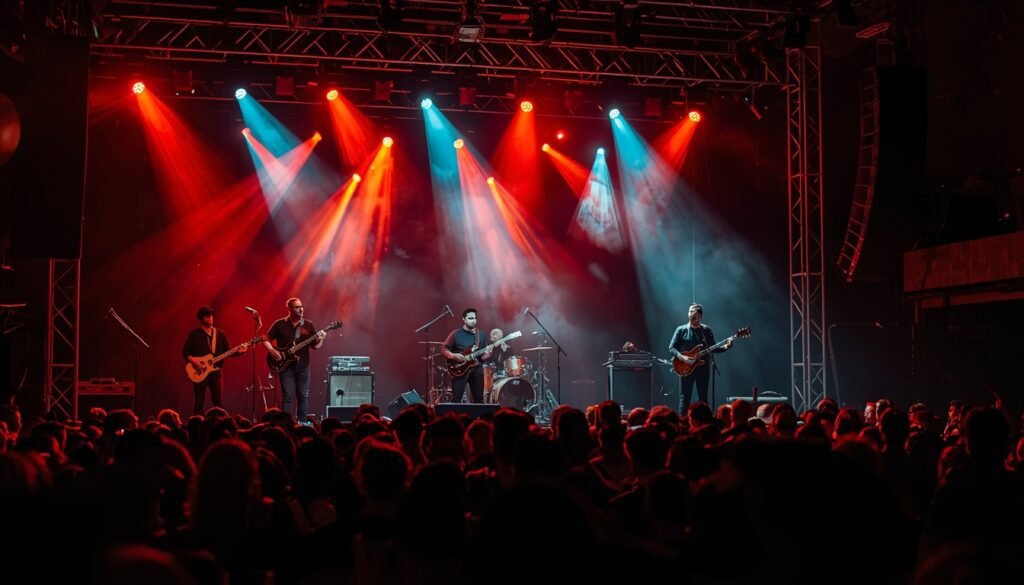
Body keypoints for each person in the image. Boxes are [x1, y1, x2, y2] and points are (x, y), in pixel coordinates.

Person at [262, 297, 325, 420]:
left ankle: (302, 423)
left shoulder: (308, 325)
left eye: (301, 306)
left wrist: (321, 339)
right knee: (287, 396)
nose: (301, 309)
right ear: (290, 309)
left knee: (303, 396)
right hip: (285, 367)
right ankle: (287, 424)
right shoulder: (280, 324)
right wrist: (272, 351)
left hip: (303, 367)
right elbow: (265, 338)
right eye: (297, 307)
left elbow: (316, 346)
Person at [182, 305, 247, 415]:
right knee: (199, 403)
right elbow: (185, 352)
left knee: (218, 404)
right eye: (207, 317)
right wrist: (195, 362)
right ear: (201, 319)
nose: (210, 319)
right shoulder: (194, 335)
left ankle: (221, 427)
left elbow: (229, 352)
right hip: (199, 372)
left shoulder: (220, 334)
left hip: (216, 373)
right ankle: (197, 426)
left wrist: (240, 351)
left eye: (211, 316)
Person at [668, 303, 731, 413]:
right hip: (685, 368)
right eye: (689, 311)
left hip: (702, 368)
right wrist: (683, 358)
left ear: (699, 315)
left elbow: (713, 348)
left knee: (703, 399)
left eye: (692, 311)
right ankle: (683, 424)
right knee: (684, 399)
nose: (690, 313)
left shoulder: (706, 330)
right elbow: (671, 348)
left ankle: (702, 424)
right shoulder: (681, 329)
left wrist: (726, 347)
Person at [442, 308, 492, 404]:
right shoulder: (455, 334)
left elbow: (482, 356)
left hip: (477, 369)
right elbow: (443, 349)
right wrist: (452, 355)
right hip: (459, 369)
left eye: (475, 318)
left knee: (479, 400)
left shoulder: (481, 335)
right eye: (470, 318)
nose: (473, 320)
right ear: (464, 319)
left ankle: (479, 419)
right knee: (456, 399)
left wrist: (487, 354)